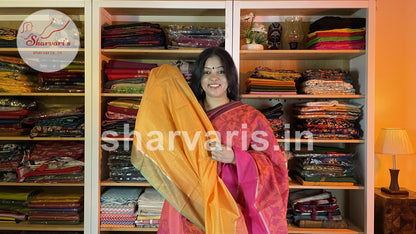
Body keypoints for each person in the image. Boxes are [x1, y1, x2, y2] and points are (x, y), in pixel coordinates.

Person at [157, 47, 289, 233]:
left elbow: (274, 164)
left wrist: (236, 158)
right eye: (207, 72)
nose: (214, 78)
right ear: (198, 78)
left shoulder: (250, 117)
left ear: (230, 77)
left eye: (220, 72)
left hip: (233, 207)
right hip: (189, 206)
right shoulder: (184, 115)